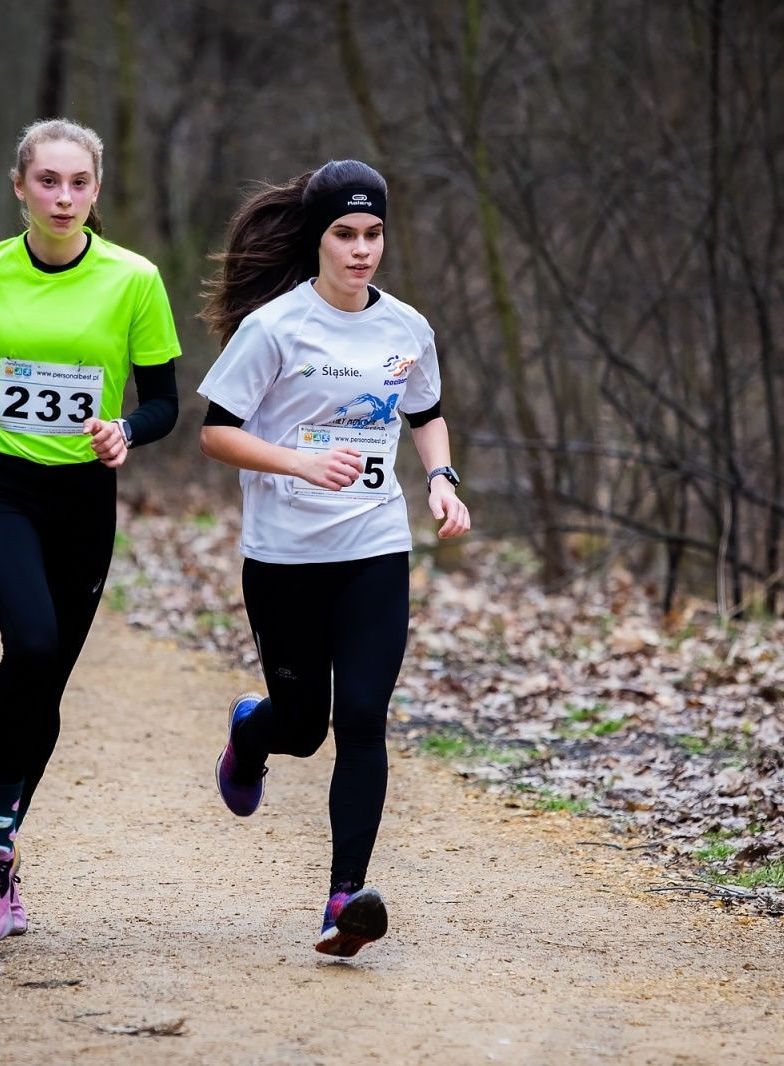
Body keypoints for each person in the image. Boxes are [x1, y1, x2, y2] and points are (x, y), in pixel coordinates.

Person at [0, 119, 181, 943]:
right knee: (32, 642)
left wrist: (130, 429)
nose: (63, 197)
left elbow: (164, 397)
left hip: (84, 498)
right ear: (19, 187)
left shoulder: (134, 279)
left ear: (97, 190)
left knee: (47, 679)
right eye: (47, 181)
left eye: (78, 183)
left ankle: (0, 839)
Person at [197, 159, 471, 957]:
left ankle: (343, 899)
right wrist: (297, 463)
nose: (361, 250)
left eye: (374, 234)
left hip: (373, 548)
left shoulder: (406, 328)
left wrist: (442, 482)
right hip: (282, 557)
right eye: (345, 234)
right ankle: (253, 734)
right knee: (303, 728)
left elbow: (427, 413)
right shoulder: (275, 328)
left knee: (361, 718)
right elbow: (216, 432)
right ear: (317, 238)